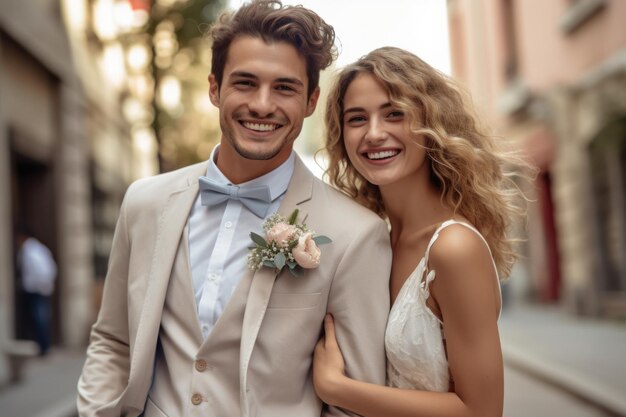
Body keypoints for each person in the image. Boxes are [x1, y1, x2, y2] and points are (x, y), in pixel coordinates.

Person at [77, 1, 392, 416]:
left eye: (284, 88)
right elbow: (113, 340)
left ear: (312, 100)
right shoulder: (144, 202)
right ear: (214, 88)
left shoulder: (356, 234)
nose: (262, 105)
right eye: (245, 83)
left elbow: (356, 400)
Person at [313, 47, 527, 417]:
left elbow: (481, 410)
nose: (374, 133)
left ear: (432, 123)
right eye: (357, 118)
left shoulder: (453, 248)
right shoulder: (375, 240)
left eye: (394, 113)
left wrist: (338, 389)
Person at [16, 227, 57, 356]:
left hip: (37, 290)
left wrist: (41, 285)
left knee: (40, 318)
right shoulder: (36, 249)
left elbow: (43, 270)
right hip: (38, 289)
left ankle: (43, 347)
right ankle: (41, 346)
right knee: (39, 318)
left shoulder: (31, 250)